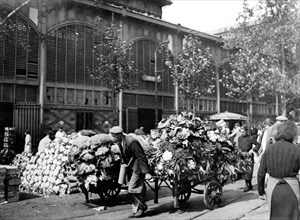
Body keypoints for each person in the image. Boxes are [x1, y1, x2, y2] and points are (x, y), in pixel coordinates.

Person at [257, 121, 300, 219]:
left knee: (275, 215)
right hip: (292, 187)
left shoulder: (269, 149)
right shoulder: (296, 150)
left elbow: (261, 173)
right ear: (293, 134)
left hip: (273, 188)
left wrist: (261, 191)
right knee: (293, 215)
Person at [109, 126, 152, 218]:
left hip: (139, 168)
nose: (113, 138)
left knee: (131, 188)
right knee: (136, 188)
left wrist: (147, 172)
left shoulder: (132, 141)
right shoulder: (120, 142)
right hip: (132, 167)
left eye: (114, 136)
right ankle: (137, 209)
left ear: (120, 134)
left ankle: (142, 207)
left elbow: (141, 156)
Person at [237, 126, 261, 192]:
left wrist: (252, 150)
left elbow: (258, 144)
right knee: (244, 171)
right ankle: (247, 184)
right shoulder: (239, 138)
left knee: (249, 172)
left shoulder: (250, 138)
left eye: (244, 132)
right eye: (241, 132)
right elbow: (239, 147)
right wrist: (240, 151)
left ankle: (249, 184)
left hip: (249, 157)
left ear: (246, 131)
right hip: (242, 156)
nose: (242, 133)